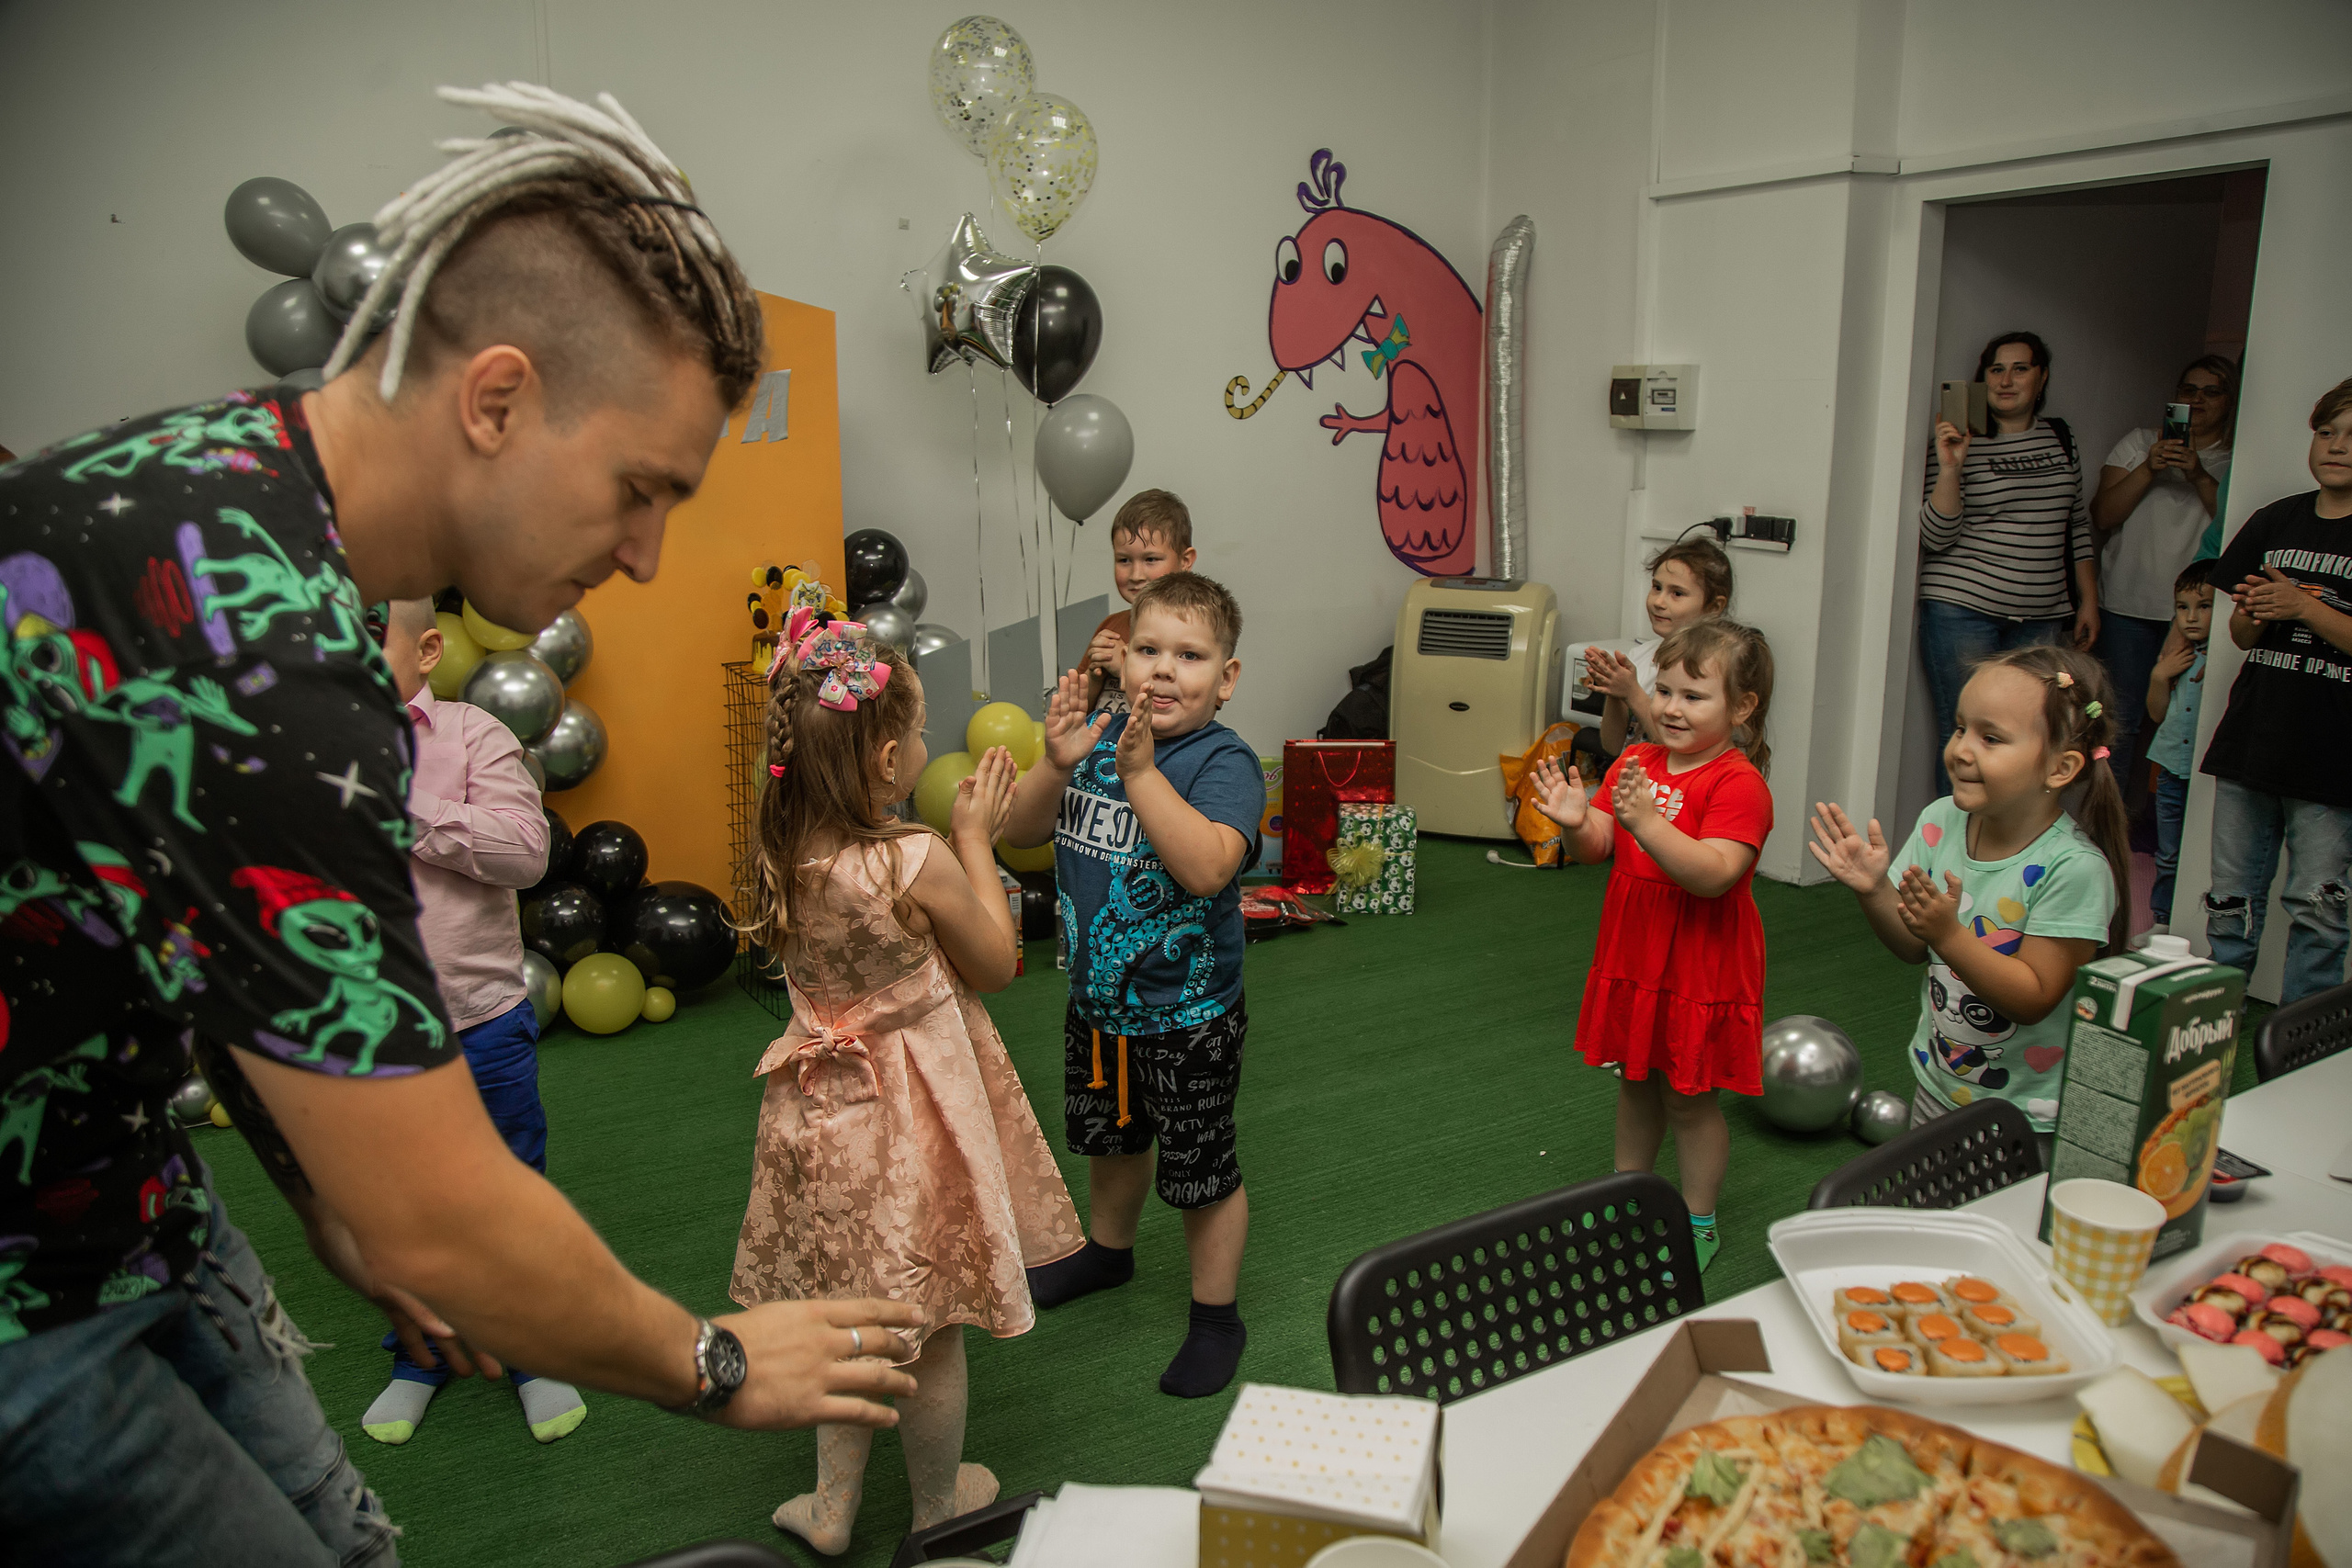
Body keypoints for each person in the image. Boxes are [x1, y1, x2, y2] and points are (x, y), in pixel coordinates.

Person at [0, 85, 919, 1568]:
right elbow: (441, 1218)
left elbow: (184, 923)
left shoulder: (244, 509)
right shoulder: (251, 646)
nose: (646, 551)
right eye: (639, 488)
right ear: (494, 400)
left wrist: (323, 1210)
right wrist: (721, 1362)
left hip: (129, 1199)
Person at [729, 611, 1080, 1554]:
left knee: (846, 1313)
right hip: (912, 1118)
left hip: (821, 1116)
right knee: (928, 1331)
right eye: (918, 736)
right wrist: (976, 837)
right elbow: (999, 962)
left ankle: (833, 1508)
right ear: (889, 760)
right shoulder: (910, 858)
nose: (926, 749)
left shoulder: (782, 853)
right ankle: (938, 1513)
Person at [1004, 572, 1264, 1398]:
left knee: (1200, 1171)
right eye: (1147, 649)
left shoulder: (1221, 760)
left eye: (1188, 656)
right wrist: (1056, 762)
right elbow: (1017, 833)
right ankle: (1108, 1253)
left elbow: (1208, 865)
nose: (1161, 670)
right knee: (1113, 1140)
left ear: (1224, 678)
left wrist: (1144, 773)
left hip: (1187, 1013)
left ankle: (1217, 1316)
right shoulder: (1100, 729)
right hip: (1099, 1004)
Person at [357, 599, 583, 1448]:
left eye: (367, 633)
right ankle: (420, 1357)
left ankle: (530, 1347)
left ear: (424, 650)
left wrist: (405, 813)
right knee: (399, 1206)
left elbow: (526, 852)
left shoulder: (471, 733)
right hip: (375, 1030)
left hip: (480, 1016)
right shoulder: (310, 746)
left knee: (511, 1186)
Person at [1811, 646, 2128, 1154]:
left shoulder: (2075, 870)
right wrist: (1874, 890)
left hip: (2026, 1115)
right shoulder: (1941, 821)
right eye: (1961, 728)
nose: (1961, 749)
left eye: (1991, 738)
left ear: (2060, 768)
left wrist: (1950, 935)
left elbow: (2032, 997)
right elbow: (1913, 947)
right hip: (1940, 1083)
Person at [1531, 619, 1776, 1273]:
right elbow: (1600, 848)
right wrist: (1579, 822)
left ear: (1742, 707)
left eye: (1693, 696)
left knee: (1689, 1097)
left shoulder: (1737, 783)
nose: (1669, 706)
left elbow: (1715, 874)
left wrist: (1649, 821)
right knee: (1636, 1080)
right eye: (1663, 690)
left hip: (1700, 959)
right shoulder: (1636, 760)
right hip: (1636, 952)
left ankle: (1697, 1221)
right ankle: (1626, 1196)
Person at [2198, 378, 2352, 1004]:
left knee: (2318, 908)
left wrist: (2302, 606)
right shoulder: (2274, 520)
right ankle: (2210, 1020)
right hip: (2253, 735)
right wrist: (2261, 610)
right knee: (2231, 899)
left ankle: (2300, 1040)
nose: (2337, 446)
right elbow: (2239, 630)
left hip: (2333, 753)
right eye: (2327, 431)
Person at [1918, 331, 2099, 794]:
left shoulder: (2061, 437)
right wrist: (1952, 465)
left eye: (2020, 368)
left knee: (2029, 735)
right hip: (1963, 609)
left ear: (2041, 378)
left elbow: (2076, 523)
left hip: (2042, 615)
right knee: (1965, 735)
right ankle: (1950, 851)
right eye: (1996, 369)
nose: (2006, 379)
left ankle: (2005, 846)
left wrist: (2088, 601)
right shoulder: (1960, 437)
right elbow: (1935, 535)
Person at [2090, 355, 2238, 798]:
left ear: (2230, 401)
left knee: (2181, 723)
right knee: (2118, 722)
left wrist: (2197, 474)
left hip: (2197, 615)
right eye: (2189, 390)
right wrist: (2150, 468)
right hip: (2125, 606)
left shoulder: (2237, 459)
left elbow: (2233, 527)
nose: (2197, 401)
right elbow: (2103, 514)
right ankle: (2111, 822)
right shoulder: (2138, 443)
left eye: (2212, 392)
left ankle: (2161, 823)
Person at [1570, 535, 1734, 781]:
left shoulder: (1713, 669)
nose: (1658, 602)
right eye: (1656, 587)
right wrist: (1615, 690)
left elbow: (1680, 746)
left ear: (1714, 606)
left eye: (1677, 593)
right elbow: (1612, 746)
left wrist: (1632, 691)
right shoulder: (1641, 656)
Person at [1078, 489, 1196, 716]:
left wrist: (1126, 668)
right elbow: (1078, 712)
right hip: (1102, 747)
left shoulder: (1194, 630)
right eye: (1124, 560)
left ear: (1185, 561)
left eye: (1150, 559)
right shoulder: (1111, 625)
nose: (1136, 574)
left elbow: (1193, 707)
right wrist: (1093, 676)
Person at [2144, 562, 2214, 929]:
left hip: (2208, 774)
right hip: (2172, 767)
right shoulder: (2176, 657)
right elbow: (2156, 714)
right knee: (2168, 852)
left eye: (2204, 606)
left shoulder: (2226, 659)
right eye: (2182, 607)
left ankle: (2198, 922)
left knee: (2202, 851)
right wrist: (2159, 675)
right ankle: (2163, 919)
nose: (2191, 617)